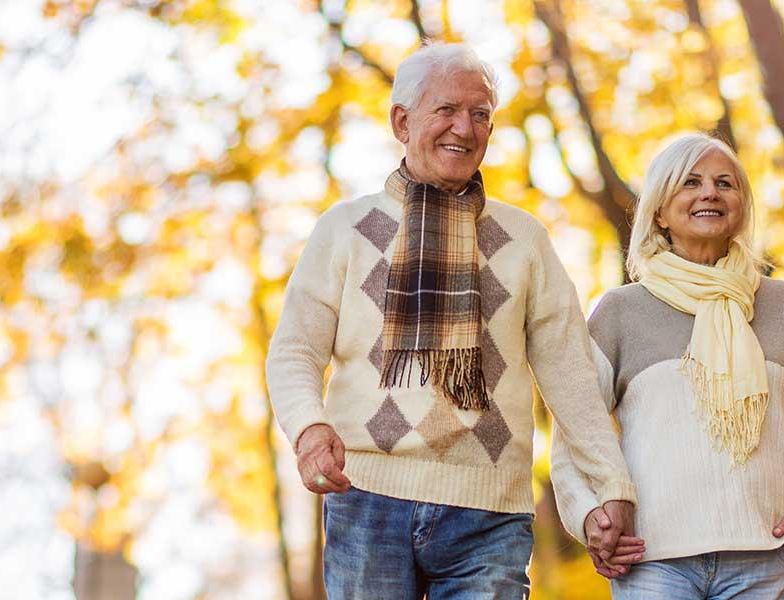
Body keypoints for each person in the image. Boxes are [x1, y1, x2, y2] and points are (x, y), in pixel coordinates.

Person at [265, 42, 638, 598]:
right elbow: (295, 350)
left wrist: (611, 485)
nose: (465, 127)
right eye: (446, 110)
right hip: (368, 497)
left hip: (489, 509)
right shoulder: (345, 229)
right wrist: (309, 429)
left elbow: (570, 372)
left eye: (481, 114)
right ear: (401, 120)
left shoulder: (525, 239)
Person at [551, 132, 784, 599]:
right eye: (691, 182)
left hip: (764, 557)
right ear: (659, 210)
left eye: (724, 183)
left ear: (741, 206)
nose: (710, 192)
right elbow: (577, 430)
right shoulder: (620, 313)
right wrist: (588, 513)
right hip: (651, 562)